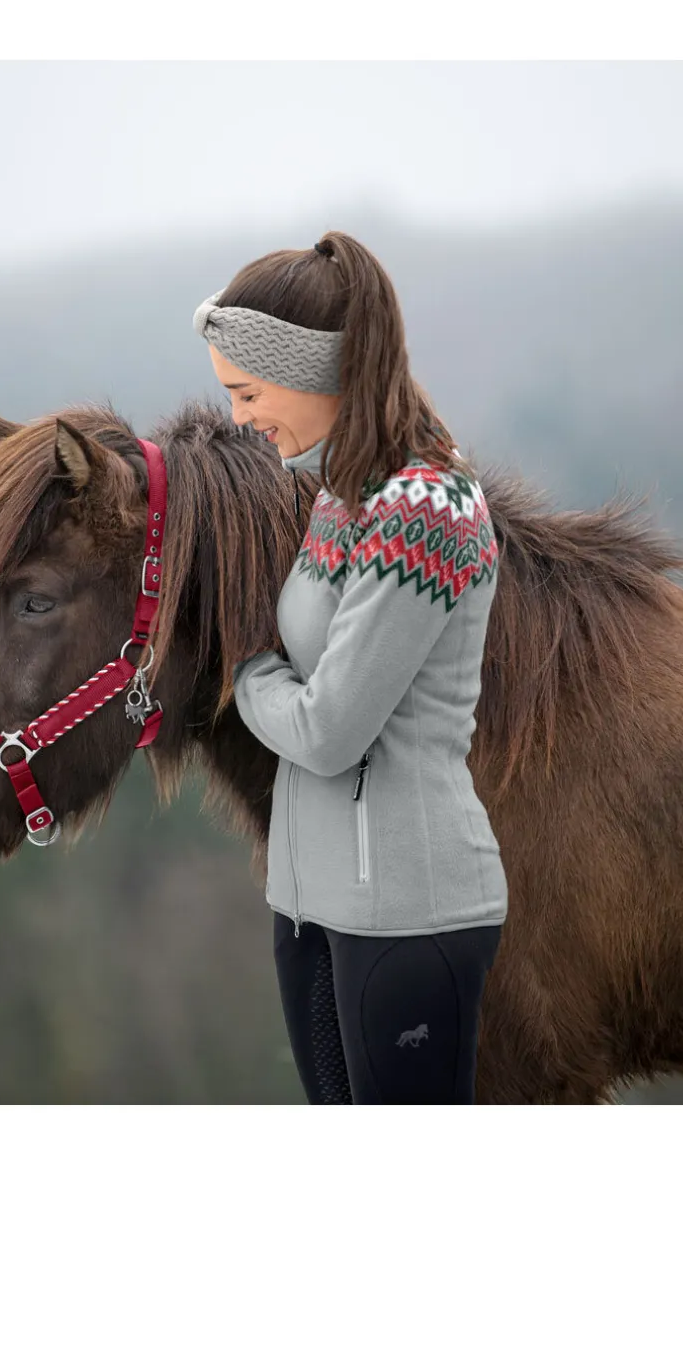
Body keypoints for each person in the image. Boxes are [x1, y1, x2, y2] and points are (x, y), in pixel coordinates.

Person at [193, 230, 507, 1104]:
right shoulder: (342, 496)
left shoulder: (425, 509)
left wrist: (244, 673)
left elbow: (330, 732)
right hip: (312, 908)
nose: (240, 419)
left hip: (408, 916)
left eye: (248, 393)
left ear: (315, 374)